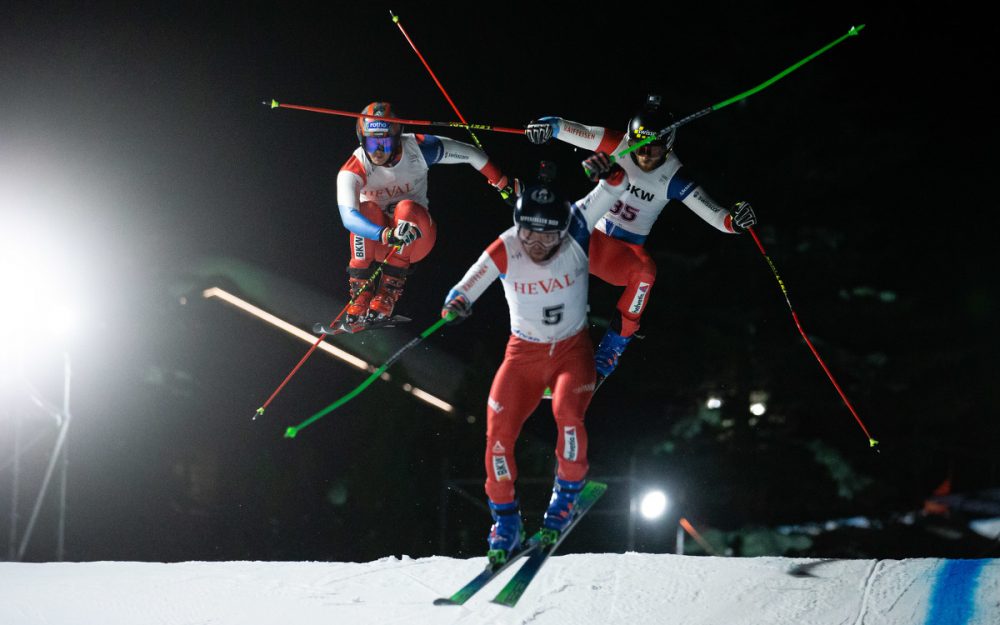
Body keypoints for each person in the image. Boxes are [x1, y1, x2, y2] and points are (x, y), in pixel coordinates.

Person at [441, 156, 628, 564]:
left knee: (567, 415)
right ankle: (505, 521)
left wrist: (608, 170)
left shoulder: (578, 223)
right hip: (522, 355)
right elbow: (466, 286)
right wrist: (456, 302)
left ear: (563, 229)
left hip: (570, 351)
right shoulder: (507, 246)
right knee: (496, 438)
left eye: (547, 237)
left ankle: (566, 497)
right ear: (517, 225)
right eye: (528, 234)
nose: (536, 245)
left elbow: (615, 185)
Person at [524, 95, 757, 382]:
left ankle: (608, 354)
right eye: (640, 146)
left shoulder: (674, 177)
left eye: (655, 149)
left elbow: (718, 218)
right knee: (554, 217)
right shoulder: (617, 144)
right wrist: (546, 127)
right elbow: (568, 128)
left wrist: (735, 221)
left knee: (646, 272)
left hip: (620, 256)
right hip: (589, 239)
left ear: (669, 146)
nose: (645, 155)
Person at [336, 101, 517, 325]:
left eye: (384, 142)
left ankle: (388, 293)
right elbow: (349, 218)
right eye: (371, 144)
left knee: (407, 207)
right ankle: (360, 293)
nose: (378, 151)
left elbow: (472, 154)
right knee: (366, 210)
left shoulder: (418, 148)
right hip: (379, 242)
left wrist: (502, 184)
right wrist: (385, 235)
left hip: (416, 239)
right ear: (362, 140)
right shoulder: (354, 168)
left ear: (396, 137)